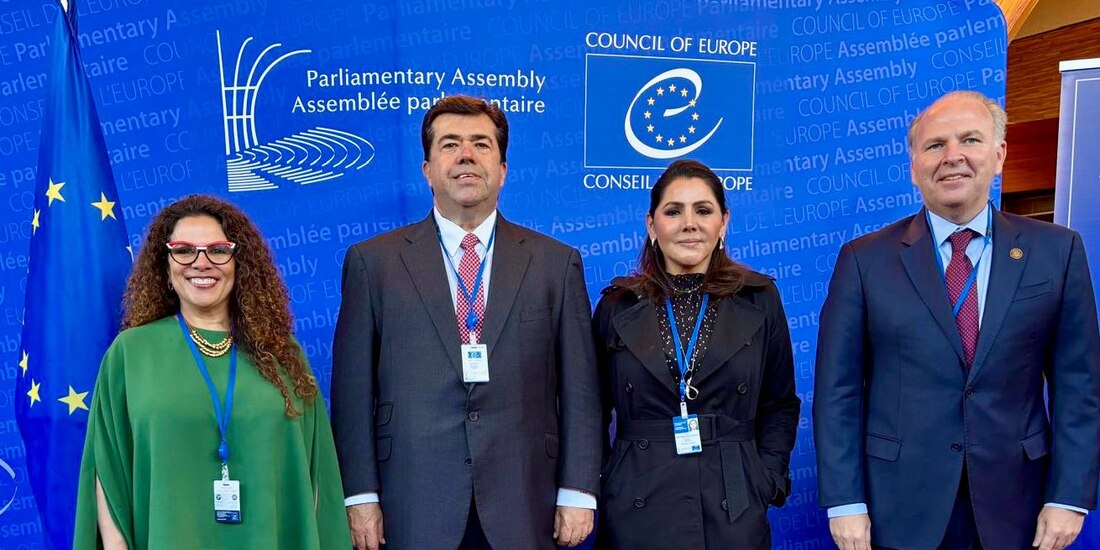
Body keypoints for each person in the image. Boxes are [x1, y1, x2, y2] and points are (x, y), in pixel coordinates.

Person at [814, 91, 1100, 550]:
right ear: (913, 166)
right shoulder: (864, 261)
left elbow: (1080, 386)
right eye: (934, 146)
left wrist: (1069, 497)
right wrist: (845, 502)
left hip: (1019, 508)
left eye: (969, 140)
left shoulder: (1057, 251)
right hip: (900, 507)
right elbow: (838, 392)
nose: (953, 157)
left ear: (998, 154)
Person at [331, 95, 601, 550]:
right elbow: (353, 393)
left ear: (503, 168)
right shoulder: (372, 263)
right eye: (450, 144)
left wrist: (577, 491)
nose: (466, 156)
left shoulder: (556, 264)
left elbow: (580, 389)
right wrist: (360, 496)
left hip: (525, 499)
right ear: (428, 169)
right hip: (412, 502)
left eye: (481, 144)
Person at [72, 195, 350, 549]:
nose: (201, 263)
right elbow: (107, 473)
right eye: (184, 250)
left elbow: (314, 477)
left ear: (240, 263)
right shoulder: (130, 353)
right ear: (165, 266)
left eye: (218, 250)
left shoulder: (282, 354)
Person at [592, 159, 801, 549]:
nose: (689, 223)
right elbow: (589, 410)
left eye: (703, 210)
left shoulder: (760, 299)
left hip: (733, 501)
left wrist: (764, 478)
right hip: (638, 499)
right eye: (674, 211)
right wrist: (607, 480)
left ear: (723, 222)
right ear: (652, 225)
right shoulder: (616, 306)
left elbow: (780, 404)